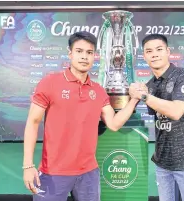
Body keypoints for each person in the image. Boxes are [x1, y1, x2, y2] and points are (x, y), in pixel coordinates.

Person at [23, 31, 139, 201]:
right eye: (79, 51)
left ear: (94, 57)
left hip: (88, 173)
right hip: (53, 172)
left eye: (89, 53)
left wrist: (133, 100)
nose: (84, 57)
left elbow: (113, 124)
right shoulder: (50, 82)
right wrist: (28, 165)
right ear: (70, 54)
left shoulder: (98, 91)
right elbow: (33, 123)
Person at [129, 34, 184, 201]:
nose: (154, 54)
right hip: (162, 163)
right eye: (149, 51)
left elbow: (176, 111)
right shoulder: (149, 86)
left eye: (159, 49)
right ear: (144, 56)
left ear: (168, 51)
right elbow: (158, 115)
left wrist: (144, 96)